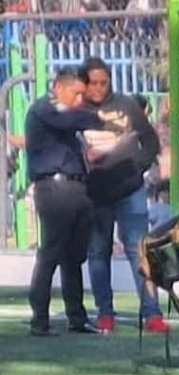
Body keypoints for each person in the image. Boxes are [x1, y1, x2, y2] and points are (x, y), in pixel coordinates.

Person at [79, 57, 167, 334]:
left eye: (103, 83)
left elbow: (150, 141)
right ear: (83, 83)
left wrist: (137, 166)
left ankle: (152, 313)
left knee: (139, 251)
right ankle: (105, 313)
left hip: (130, 190)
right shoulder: (76, 110)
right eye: (93, 83)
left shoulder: (127, 105)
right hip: (95, 193)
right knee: (98, 253)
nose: (98, 88)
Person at [25, 67, 104, 336]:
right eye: (76, 93)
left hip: (77, 188)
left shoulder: (69, 120)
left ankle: (76, 317)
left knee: (73, 256)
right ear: (59, 87)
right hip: (54, 188)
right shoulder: (44, 109)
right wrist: (101, 118)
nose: (79, 100)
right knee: (51, 253)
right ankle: (39, 319)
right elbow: (68, 120)